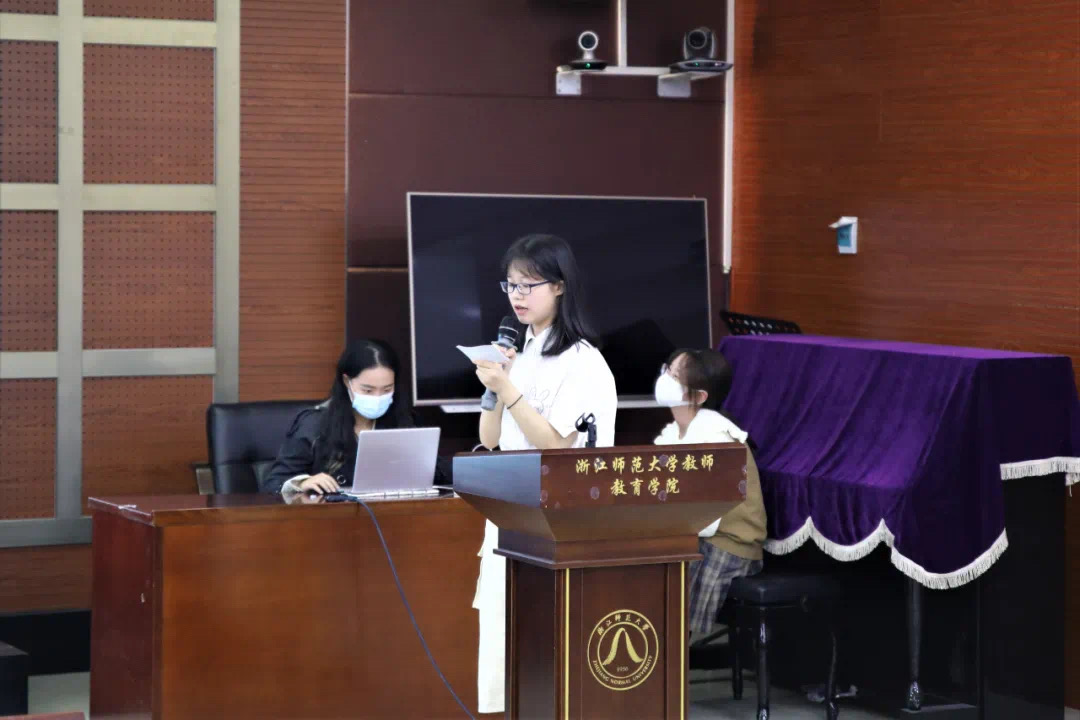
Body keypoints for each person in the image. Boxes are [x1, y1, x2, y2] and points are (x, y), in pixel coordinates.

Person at [471, 234, 617, 714]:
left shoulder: (581, 361)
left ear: (559, 286)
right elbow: (490, 438)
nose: (517, 296)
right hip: (512, 513)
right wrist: (495, 385)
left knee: (550, 650)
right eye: (510, 285)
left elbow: (556, 445)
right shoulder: (520, 351)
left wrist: (508, 389)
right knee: (507, 643)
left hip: (556, 519)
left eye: (528, 285)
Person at [653, 348, 767, 636]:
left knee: (682, 631)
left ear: (699, 396)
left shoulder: (717, 438)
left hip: (727, 545)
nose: (664, 379)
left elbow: (705, 519)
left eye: (675, 377)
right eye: (667, 370)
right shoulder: (674, 432)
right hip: (696, 538)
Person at [262, 338, 445, 494]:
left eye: (386, 389)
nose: (377, 397)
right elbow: (273, 484)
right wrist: (302, 483)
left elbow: (437, 473)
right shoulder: (314, 425)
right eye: (368, 390)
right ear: (347, 382)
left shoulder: (405, 420)